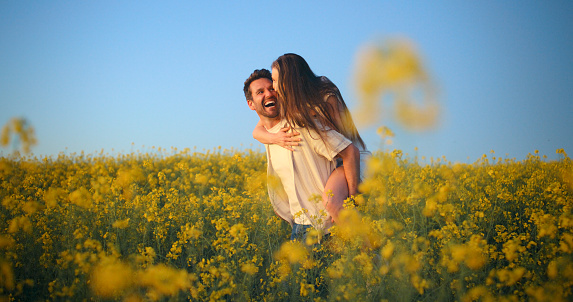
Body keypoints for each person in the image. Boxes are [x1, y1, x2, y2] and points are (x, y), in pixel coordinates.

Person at [244, 69, 360, 241]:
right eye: (260, 92)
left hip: (330, 228)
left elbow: (349, 151)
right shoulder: (269, 136)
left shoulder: (301, 122)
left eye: (271, 88)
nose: (269, 94)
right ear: (251, 104)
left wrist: (353, 200)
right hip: (300, 227)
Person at [253, 53, 371, 217]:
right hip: (335, 161)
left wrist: (353, 198)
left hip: (351, 159)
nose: (274, 87)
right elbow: (257, 131)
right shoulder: (289, 101)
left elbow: (344, 143)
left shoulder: (325, 94)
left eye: (275, 80)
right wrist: (276, 138)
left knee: (334, 204)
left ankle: (365, 242)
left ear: (289, 79)